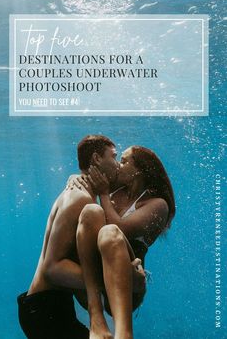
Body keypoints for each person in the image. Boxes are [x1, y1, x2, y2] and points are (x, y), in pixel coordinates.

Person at [17, 135, 121, 339]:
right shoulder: (79, 198)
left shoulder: (81, 193)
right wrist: (113, 278)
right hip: (45, 309)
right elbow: (53, 269)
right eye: (113, 157)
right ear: (97, 158)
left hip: (44, 306)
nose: (117, 164)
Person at [75, 145, 175, 339]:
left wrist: (103, 194)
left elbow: (118, 228)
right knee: (88, 214)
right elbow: (86, 178)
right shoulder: (118, 189)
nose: (118, 166)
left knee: (109, 232)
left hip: (127, 288)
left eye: (124, 161)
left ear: (139, 170)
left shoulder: (157, 204)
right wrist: (75, 178)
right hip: (96, 277)